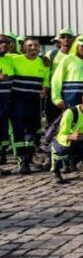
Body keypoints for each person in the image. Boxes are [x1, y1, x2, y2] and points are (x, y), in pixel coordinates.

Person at [9, 37, 50, 173]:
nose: (33, 47)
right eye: (30, 45)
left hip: (34, 103)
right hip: (17, 102)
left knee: (33, 133)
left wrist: (44, 89)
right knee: (19, 134)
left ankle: (29, 158)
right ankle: (22, 162)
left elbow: (46, 81)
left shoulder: (43, 62)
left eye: (36, 45)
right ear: (24, 47)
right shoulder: (14, 59)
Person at [51, 35, 83, 110]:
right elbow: (56, 79)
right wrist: (56, 98)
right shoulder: (67, 59)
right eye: (82, 46)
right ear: (77, 46)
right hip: (69, 99)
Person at [0, 34, 16, 165]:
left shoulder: (11, 59)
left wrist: (44, 59)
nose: (4, 45)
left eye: (7, 42)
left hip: (6, 103)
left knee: (4, 132)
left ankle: (2, 156)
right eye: (0, 42)